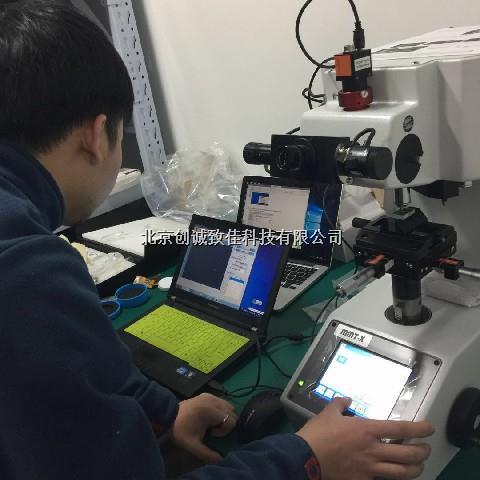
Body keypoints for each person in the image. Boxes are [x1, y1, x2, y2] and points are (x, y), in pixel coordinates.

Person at [0, 1, 434, 479]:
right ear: (97, 134)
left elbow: (90, 373)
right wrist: (309, 459)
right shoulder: (28, 273)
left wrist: (163, 413)